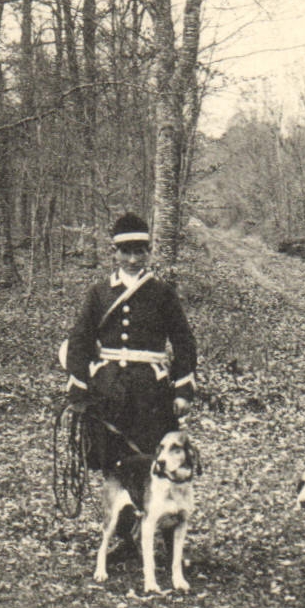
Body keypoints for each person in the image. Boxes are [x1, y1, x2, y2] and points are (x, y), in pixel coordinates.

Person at [64, 213, 197, 550]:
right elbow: (80, 339)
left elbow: (183, 340)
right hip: (109, 392)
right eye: (126, 251)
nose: (134, 259)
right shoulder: (99, 293)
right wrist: (79, 382)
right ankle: (122, 535)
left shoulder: (161, 293)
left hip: (150, 395)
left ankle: (163, 537)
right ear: (115, 253)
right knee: (114, 465)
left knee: (157, 462)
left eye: (140, 251)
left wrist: (182, 387)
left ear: (148, 251)